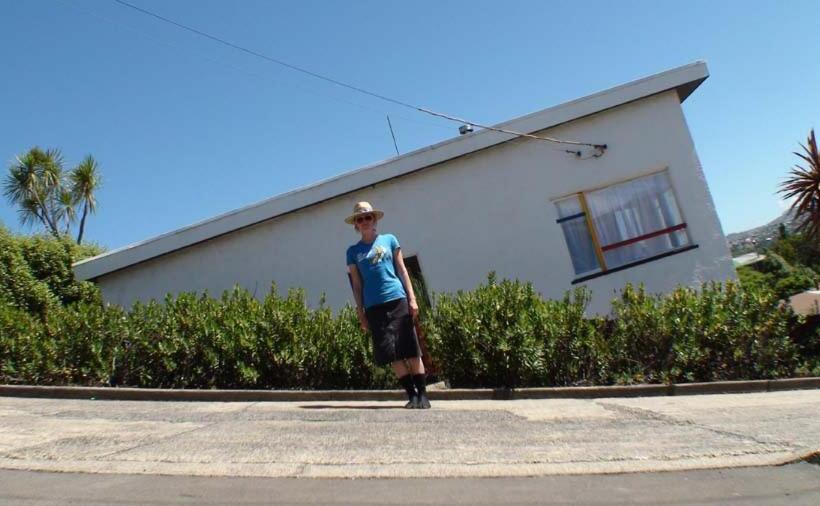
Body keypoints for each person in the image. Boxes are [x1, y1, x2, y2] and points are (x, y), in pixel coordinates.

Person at [345, 201, 430, 409]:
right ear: (356, 224)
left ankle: (423, 395)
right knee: (391, 352)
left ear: (374, 220)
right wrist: (361, 312)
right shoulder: (353, 252)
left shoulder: (389, 240)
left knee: (410, 348)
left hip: (397, 298)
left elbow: (402, 270)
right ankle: (411, 395)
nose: (364, 221)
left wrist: (412, 298)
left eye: (368, 217)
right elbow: (357, 284)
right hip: (374, 306)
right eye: (360, 218)